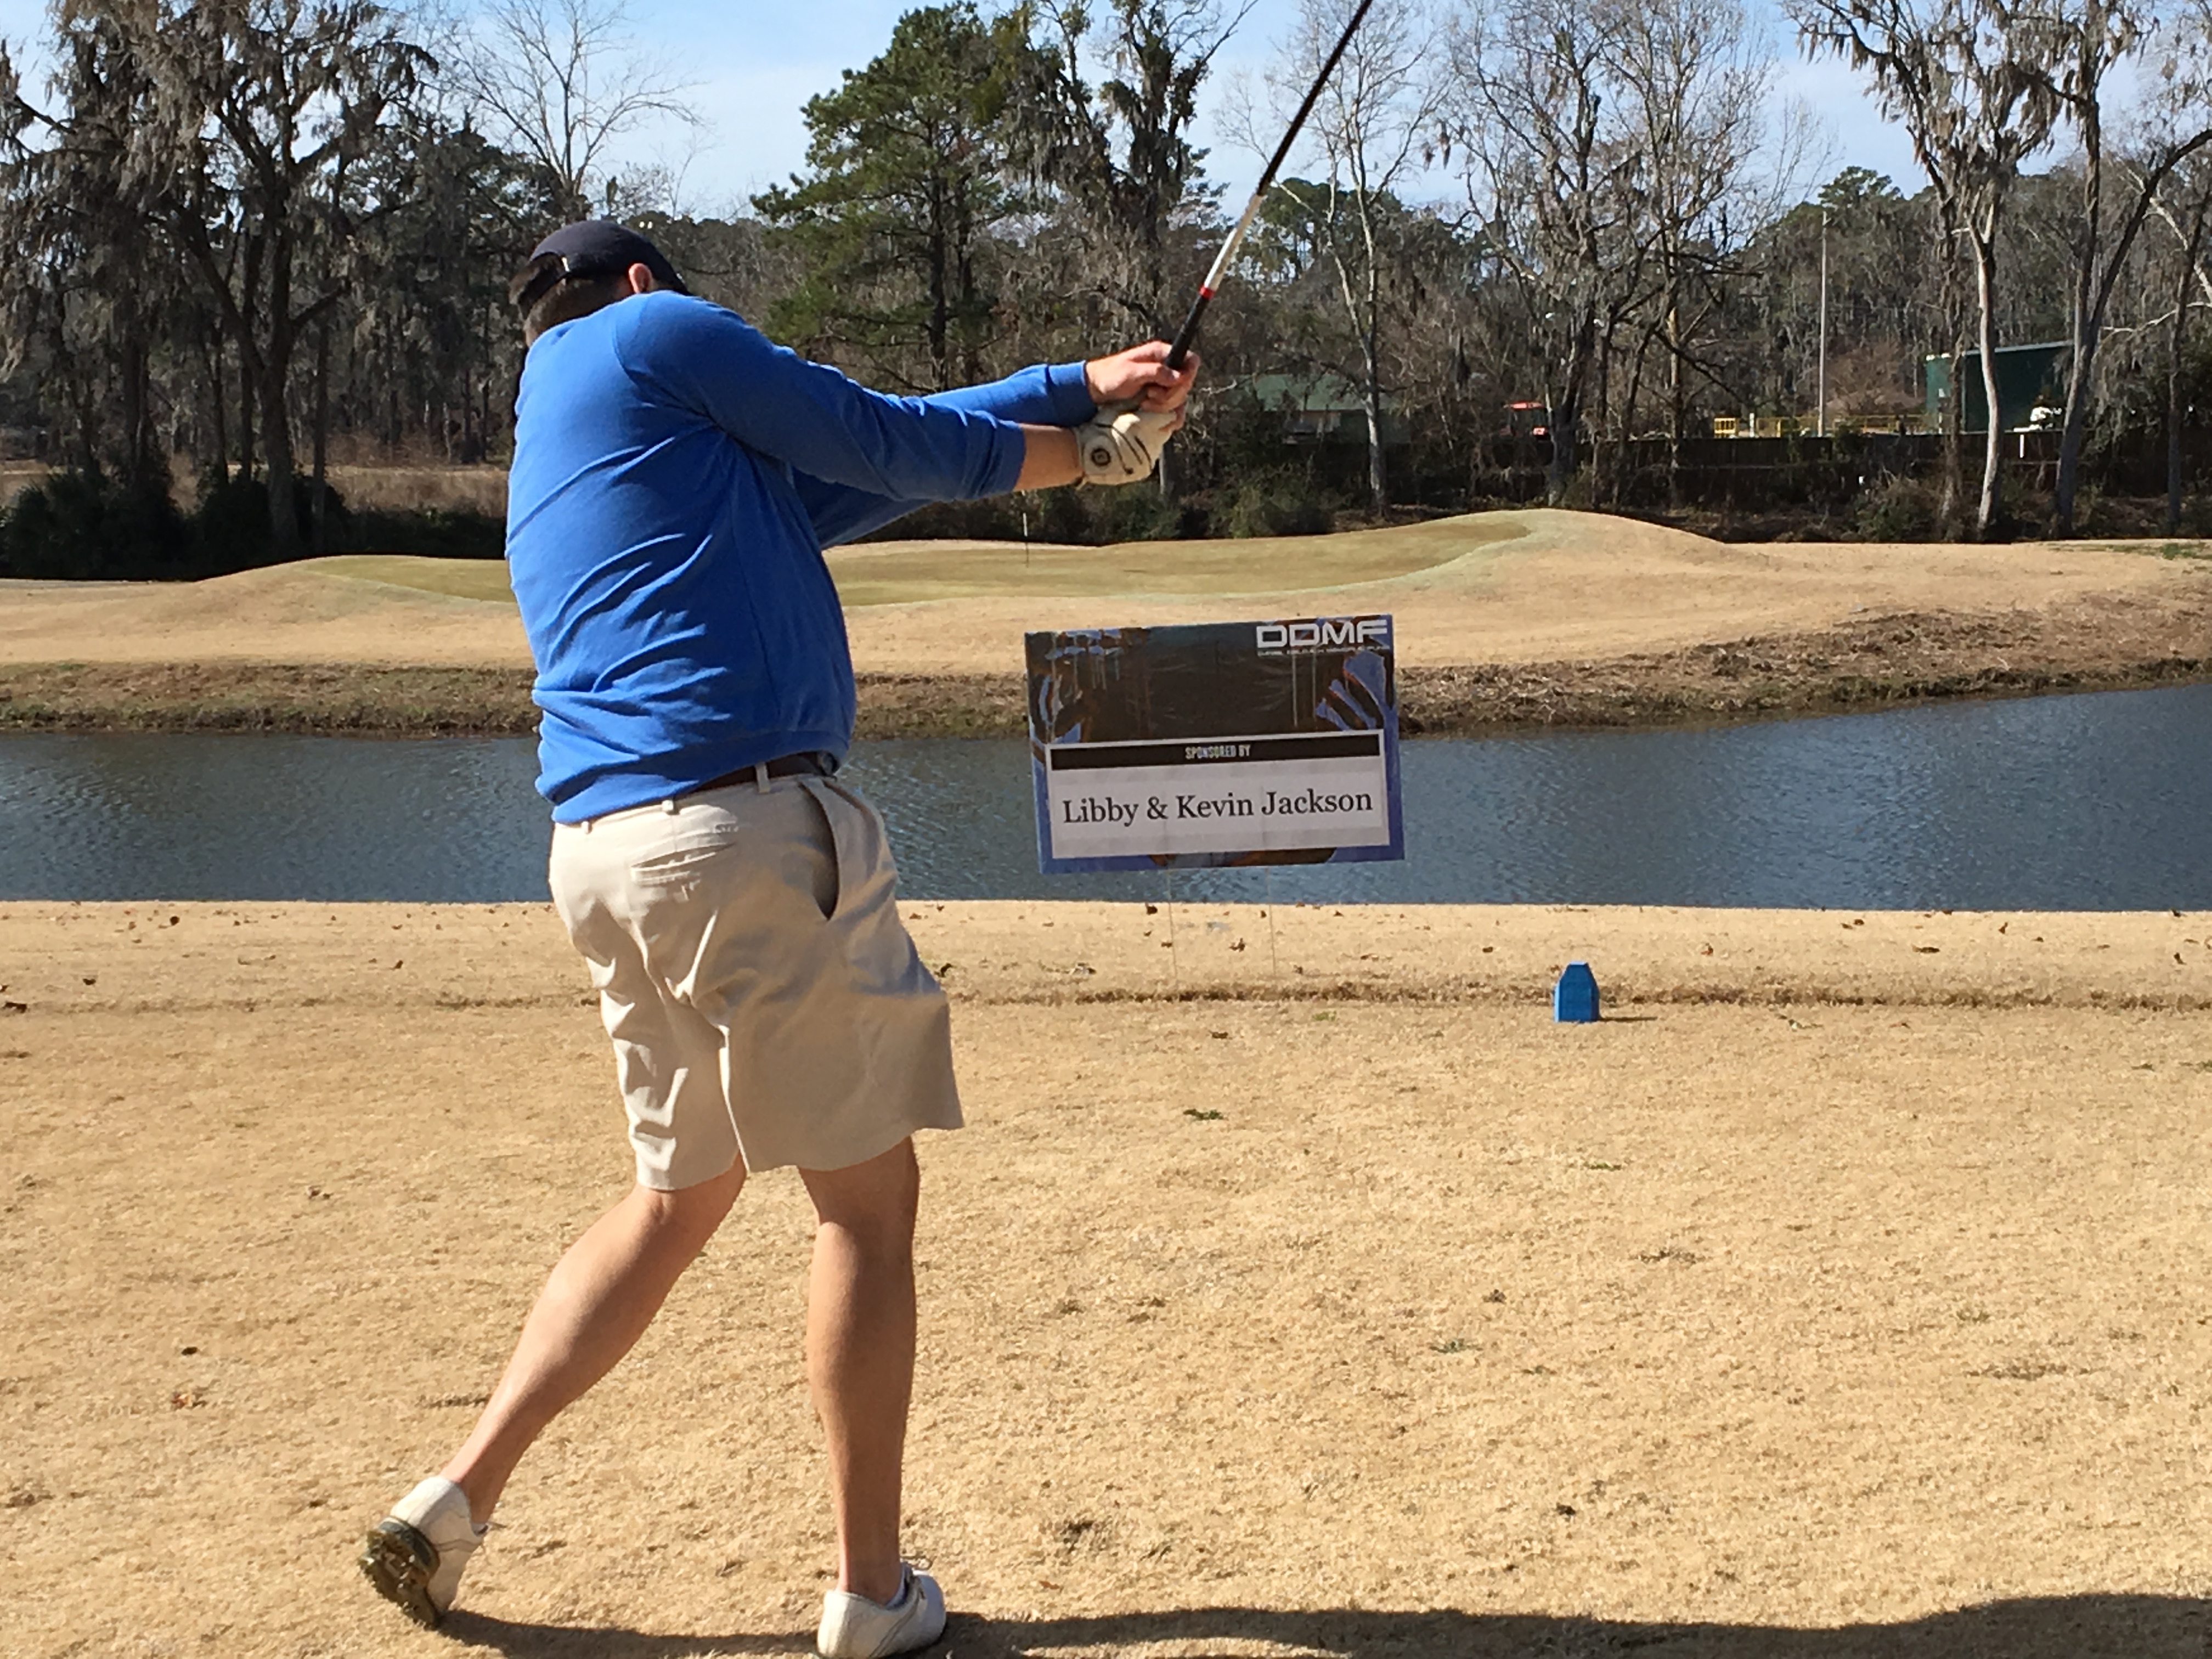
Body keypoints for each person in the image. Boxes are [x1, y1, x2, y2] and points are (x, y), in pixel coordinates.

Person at [357, 219, 1195, 1658]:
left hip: (605, 854)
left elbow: (862, 471)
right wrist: (1086, 450)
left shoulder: (574, 420)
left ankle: (454, 1497)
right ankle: (872, 1595)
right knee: (864, 1207)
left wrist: (1077, 396)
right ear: (643, 285)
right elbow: (878, 433)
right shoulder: (655, 333)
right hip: (738, 833)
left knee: (675, 1200)